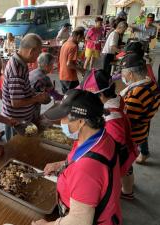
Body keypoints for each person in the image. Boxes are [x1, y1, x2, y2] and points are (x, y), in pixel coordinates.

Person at [33, 89, 121, 225]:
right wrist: (63, 164)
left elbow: (79, 221)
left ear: (81, 122)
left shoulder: (86, 169)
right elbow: (88, 161)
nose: (61, 122)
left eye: (64, 117)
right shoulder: (100, 137)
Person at [80, 69, 139, 200]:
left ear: (100, 96)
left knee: (121, 172)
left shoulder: (111, 117)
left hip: (119, 153)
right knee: (128, 170)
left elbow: (115, 142)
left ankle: (126, 193)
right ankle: (128, 190)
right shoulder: (116, 98)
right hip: (128, 146)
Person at [2, 33, 50, 140]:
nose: (37, 57)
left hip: (22, 118)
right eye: (37, 54)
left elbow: (23, 90)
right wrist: (37, 98)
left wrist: (36, 94)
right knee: (17, 149)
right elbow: (16, 103)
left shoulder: (21, 63)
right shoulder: (17, 70)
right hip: (16, 120)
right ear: (31, 51)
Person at [120, 53, 160, 164]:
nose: (122, 76)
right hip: (144, 127)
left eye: (123, 73)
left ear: (131, 74)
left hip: (133, 135)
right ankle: (144, 153)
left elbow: (126, 122)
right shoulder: (151, 83)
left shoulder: (135, 95)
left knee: (125, 163)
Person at [29, 52, 62, 119]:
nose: (53, 67)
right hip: (31, 110)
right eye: (52, 65)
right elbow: (55, 96)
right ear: (47, 65)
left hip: (24, 108)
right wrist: (67, 98)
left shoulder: (31, 72)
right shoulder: (44, 78)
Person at [58, 29, 85, 94]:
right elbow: (69, 64)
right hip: (70, 78)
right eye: (81, 39)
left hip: (62, 76)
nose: (81, 41)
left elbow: (66, 59)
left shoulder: (65, 43)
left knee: (66, 98)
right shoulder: (73, 46)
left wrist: (77, 62)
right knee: (75, 97)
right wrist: (81, 70)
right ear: (78, 36)